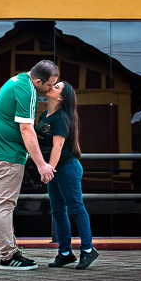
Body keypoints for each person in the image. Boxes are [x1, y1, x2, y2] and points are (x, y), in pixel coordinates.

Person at [0, 60, 58, 270]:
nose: (51, 89)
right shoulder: (28, 91)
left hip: (0, 151)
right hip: (5, 155)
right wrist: (41, 164)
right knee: (4, 205)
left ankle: (11, 252)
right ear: (39, 81)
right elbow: (26, 129)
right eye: (50, 85)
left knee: (4, 204)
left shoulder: (19, 81)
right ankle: (8, 257)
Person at [37, 81, 99, 270]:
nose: (51, 87)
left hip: (66, 168)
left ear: (61, 97)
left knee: (76, 208)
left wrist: (48, 170)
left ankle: (88, 250)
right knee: (58, 211)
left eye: (56, 87)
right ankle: (65, 253)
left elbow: (58, 146)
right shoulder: (44, 116)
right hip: (55, 169)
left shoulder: (60, 118)